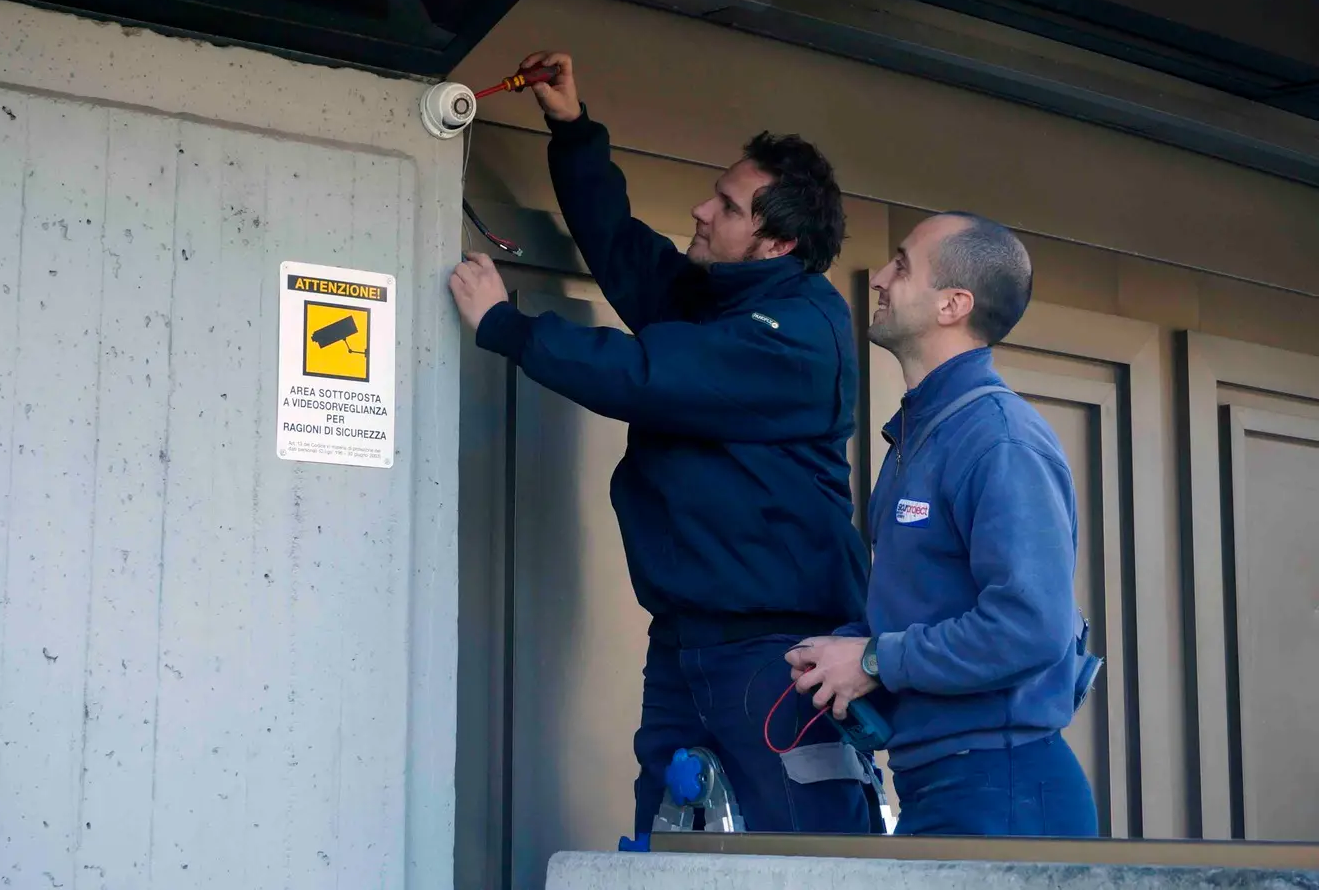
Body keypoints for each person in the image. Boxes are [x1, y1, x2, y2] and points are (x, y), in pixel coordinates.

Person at [448, 51, 878, 838]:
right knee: (666, 848)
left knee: (805, 854)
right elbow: (619, 247)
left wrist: (504, 326)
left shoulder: (797, 335)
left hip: (776, 653)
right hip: (685, 643)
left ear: (776, 242)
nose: (701, 210)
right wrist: (573, 128)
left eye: (727, 204)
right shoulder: (713, 296)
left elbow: (647, 373)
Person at [785, 211, 1099, 838]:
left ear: (954, 304)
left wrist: (874, 659)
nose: (878, 277)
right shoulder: (922, 437)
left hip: (1003, 793)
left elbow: (1031, 627)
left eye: (901, 264)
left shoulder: (999, 439)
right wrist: (841, 651)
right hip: (939, 785)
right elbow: (925, 613)